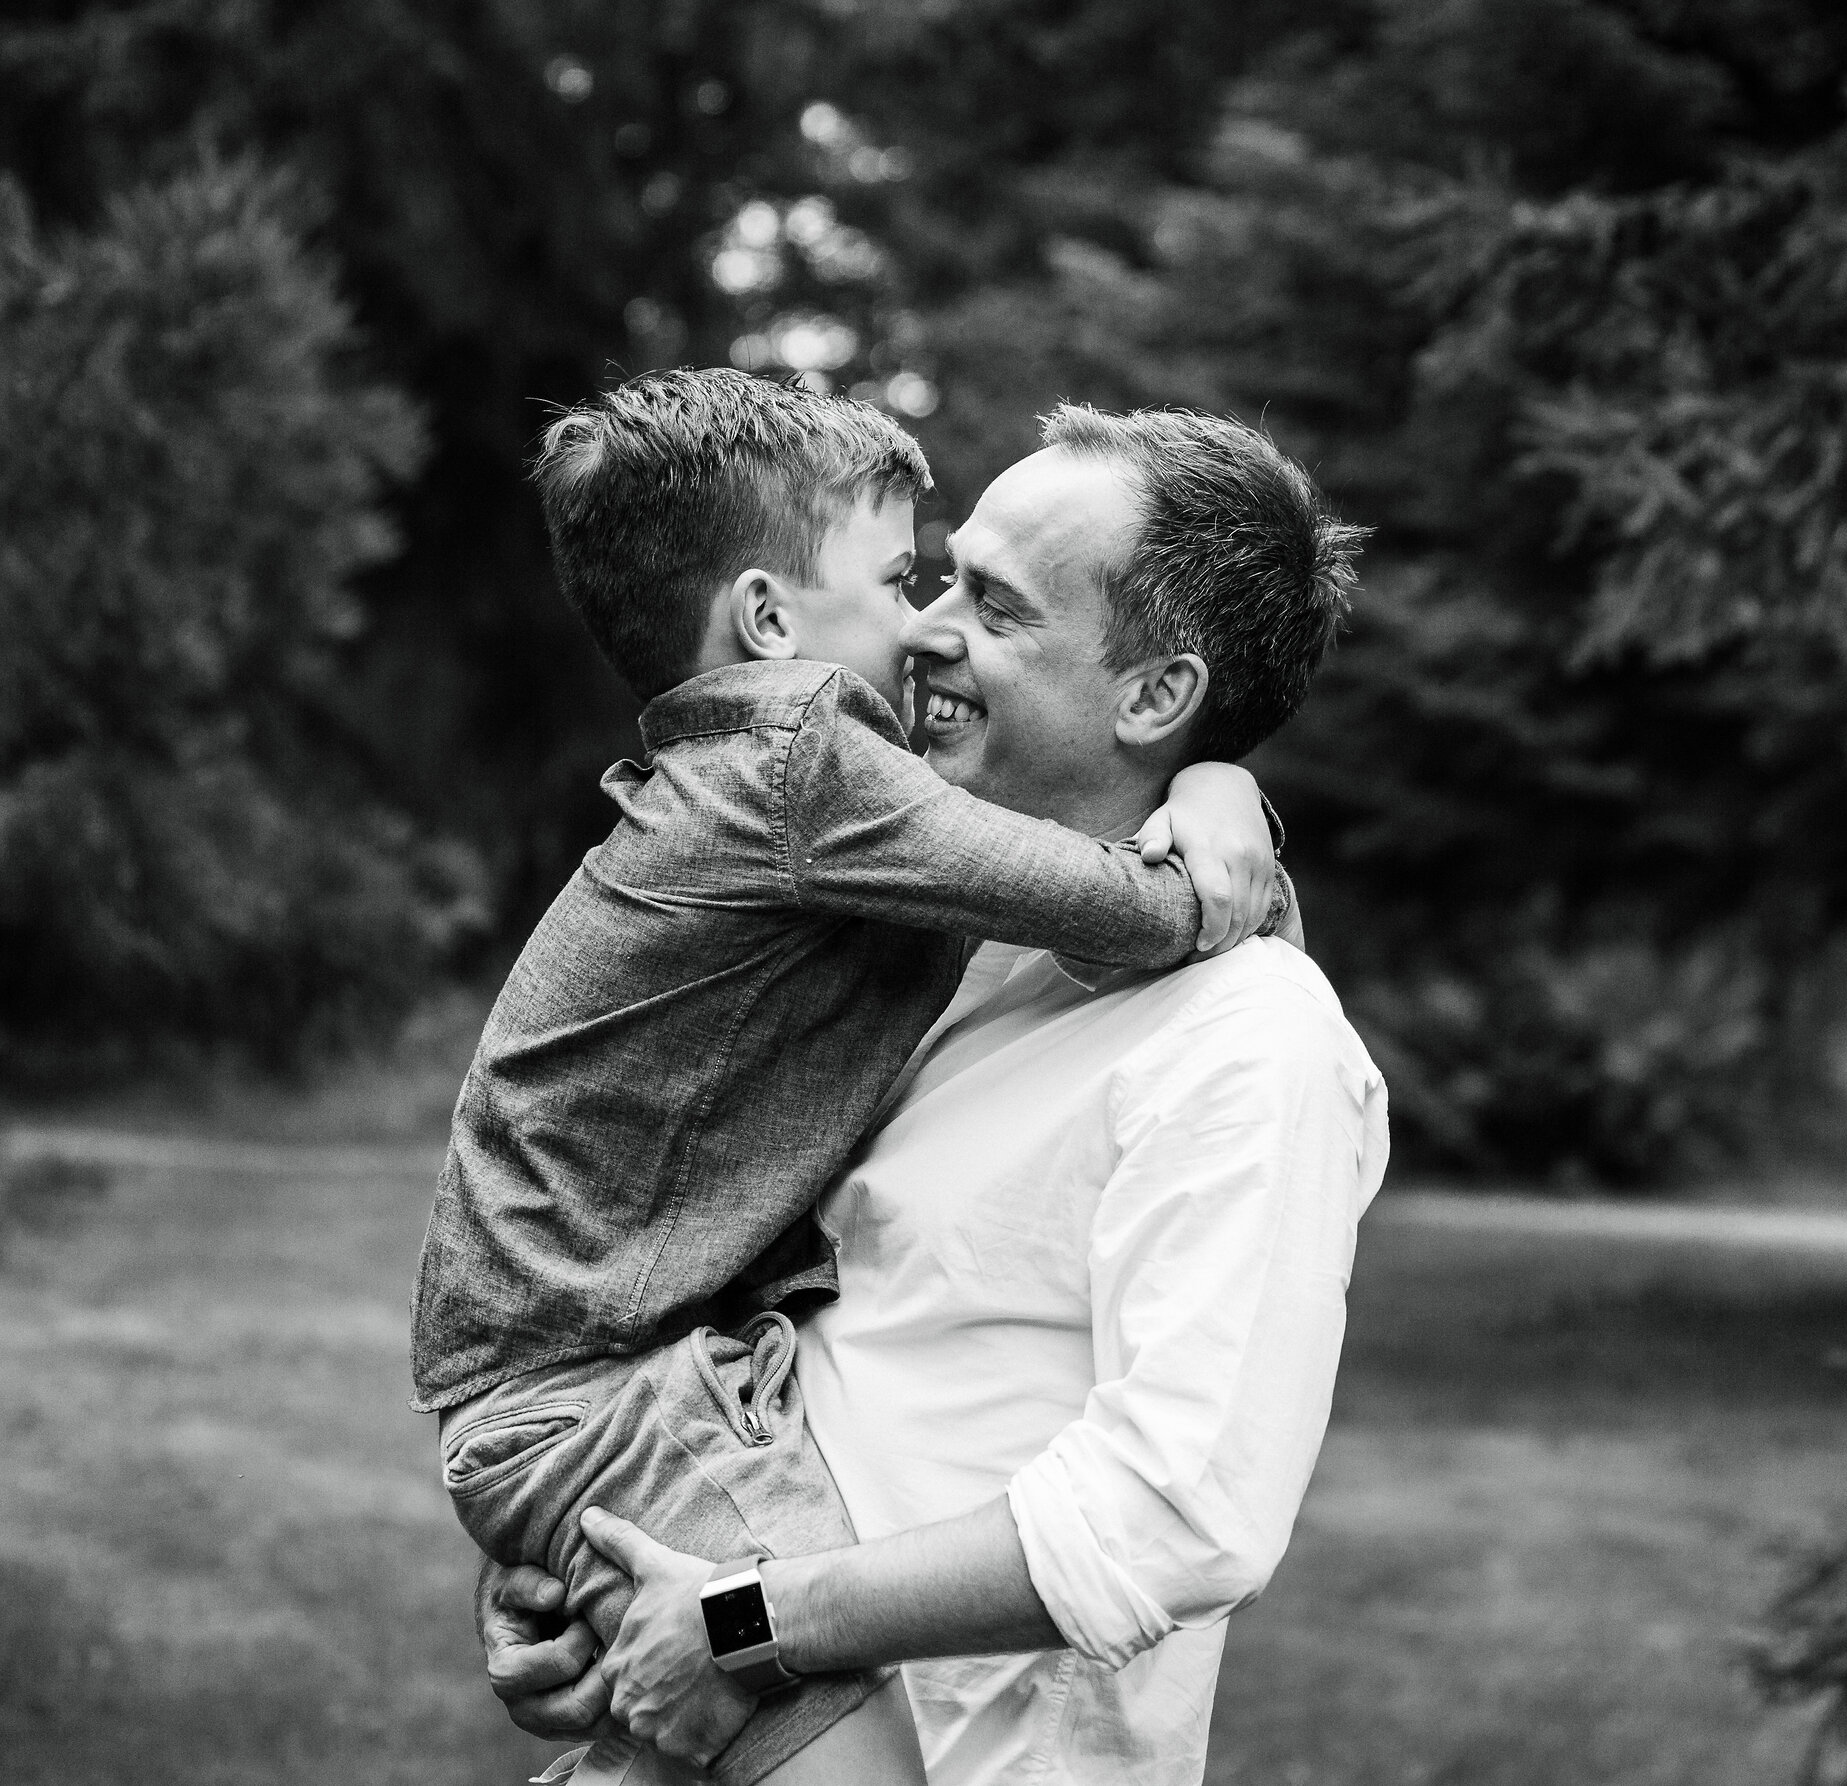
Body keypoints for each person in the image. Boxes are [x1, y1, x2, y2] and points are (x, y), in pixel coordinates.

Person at [479, 405, 1391, 1786]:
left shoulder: (1249, 1037)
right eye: (937, 576)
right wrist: (580, 1552)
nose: (920, 630)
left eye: (997, 607)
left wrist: (735, 1619)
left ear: (1154, 696)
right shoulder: (914, 960)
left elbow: (1176, 1515)